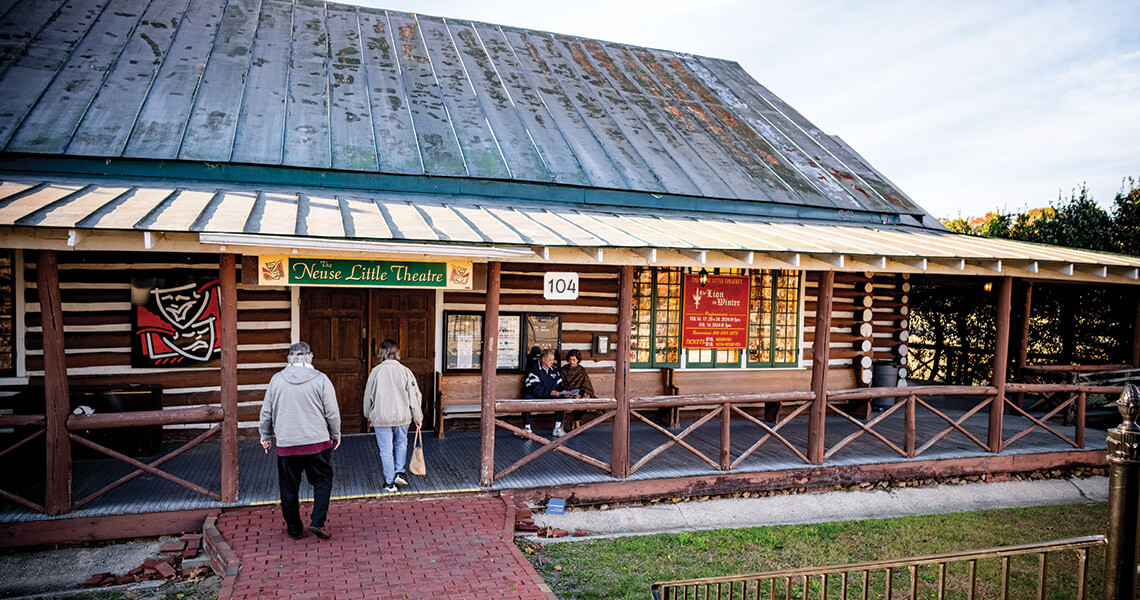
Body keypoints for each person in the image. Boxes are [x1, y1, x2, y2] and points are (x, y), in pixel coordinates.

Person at [258, 342, 341, 541]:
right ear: (310, 358)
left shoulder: (277, 380)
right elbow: (332, 412)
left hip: (287, 444)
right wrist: (336, 434)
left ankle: (294, 529)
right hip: (316, 442)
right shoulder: (321, 379)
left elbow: (266, 412)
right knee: (322, 480)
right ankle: (317, 521)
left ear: (290, 358)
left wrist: (265, 436)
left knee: (289, 488)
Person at [363, 339, 423, 493]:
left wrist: (367, 413)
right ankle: (399, 472)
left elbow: (368, 395)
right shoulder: (405, 371)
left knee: (385, 449)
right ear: (397, 352)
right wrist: (418, 417)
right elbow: (415, 396)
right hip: (402, 415)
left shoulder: (376, 371)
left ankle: (390, 482)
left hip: (381, 416)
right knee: (401, 442)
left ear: (382, 352)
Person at [522, 347, 567, 437]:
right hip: (535, 395)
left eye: (553, 360)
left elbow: (559, 384)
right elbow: (535, 388)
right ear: (543, 359)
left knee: (562, 399)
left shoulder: (554, 369)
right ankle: (527, 428)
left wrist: (564, 392)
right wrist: (551, 392)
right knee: (526, 399)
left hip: (549, 394)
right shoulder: (534, 369)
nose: (552, 362)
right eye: (550, 360)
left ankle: (557, 428)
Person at [559, 349, 596, 430]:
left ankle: (575, 419)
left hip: (579, 393)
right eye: (570, 359)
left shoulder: (581, 370)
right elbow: (560, 383)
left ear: (578, 360)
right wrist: (567, 391)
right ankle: (576, 422)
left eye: (574, 360)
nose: (571, 362)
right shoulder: (563, 370)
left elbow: (586, 384)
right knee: (572, 399)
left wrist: (583, 393)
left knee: (586, 400)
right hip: (567, 393)